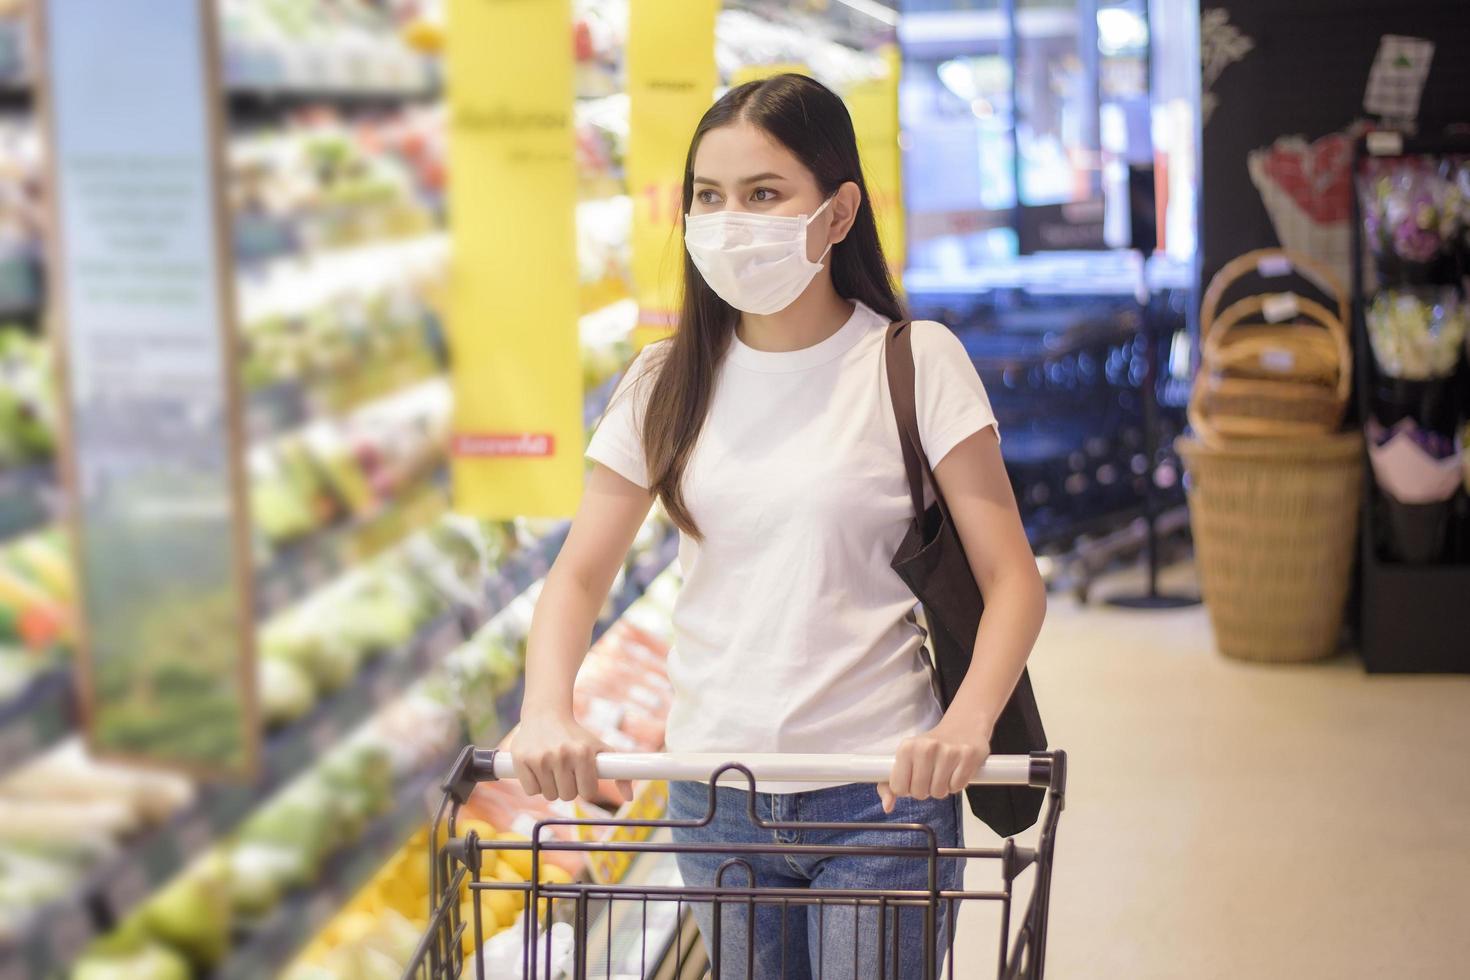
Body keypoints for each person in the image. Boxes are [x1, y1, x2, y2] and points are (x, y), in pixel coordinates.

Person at [511, 73, 1045, 978]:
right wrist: (542, 710)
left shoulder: (914, 363)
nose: (731, 220)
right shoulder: (662, 382)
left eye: (764, 195)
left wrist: (966, 721)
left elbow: (1012, 581)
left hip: (879, 796)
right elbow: (577, 577)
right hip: (710, 794)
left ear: (838, 214)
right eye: (709, 198)